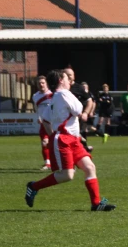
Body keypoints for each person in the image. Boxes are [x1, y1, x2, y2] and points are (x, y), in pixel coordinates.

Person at [25, 69, 116, 211]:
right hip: (64, 139)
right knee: (67, 175)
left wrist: (52, 136)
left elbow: (46, 120)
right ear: (61, 80)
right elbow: (78, 110)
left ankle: (96, 204)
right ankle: (33, 186)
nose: (70, 81)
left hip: (71, 139)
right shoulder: (64, 94)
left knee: (90, 167)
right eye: (68, 78)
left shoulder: (55, 96)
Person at [63, 67, 94, 153]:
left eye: (70, 75)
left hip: (77, 118)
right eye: (66, 75)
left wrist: (85, 113)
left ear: (74, 76)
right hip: (64, 119)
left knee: (76, 137)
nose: (68, 77)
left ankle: (83, 148)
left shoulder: (79, 88)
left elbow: (89, 101)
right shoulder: (60, 89)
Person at [31, 75, 53, 171]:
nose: (41, 85)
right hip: (44, 123)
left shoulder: (53, 94)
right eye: (39, 83)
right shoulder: (35, 96)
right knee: (44, 143)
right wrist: (38, 117)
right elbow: (37, 109)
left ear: (46, 83)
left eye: (43, 83)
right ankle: (47, 163)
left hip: (53, 123)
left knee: (56, 144)